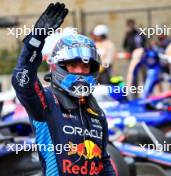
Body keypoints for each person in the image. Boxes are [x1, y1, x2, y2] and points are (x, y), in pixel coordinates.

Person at [11, 3, 116, 176]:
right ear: (58, 66)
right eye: (73, 65)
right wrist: (35, 40)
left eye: (86, 66)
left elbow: (103, 162)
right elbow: (21, 81)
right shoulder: (45, 102)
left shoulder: (97, 112)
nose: (81, 71)